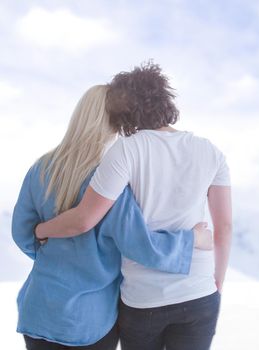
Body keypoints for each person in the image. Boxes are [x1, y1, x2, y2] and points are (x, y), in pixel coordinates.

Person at [36, 62, 233, 350]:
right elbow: (224, 228)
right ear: (166, 99)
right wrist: (217, 282)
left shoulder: (126, 150)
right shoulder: (210, 151)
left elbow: (84, 219)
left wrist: (42, 229)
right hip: (198, 292)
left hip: (144, 299)